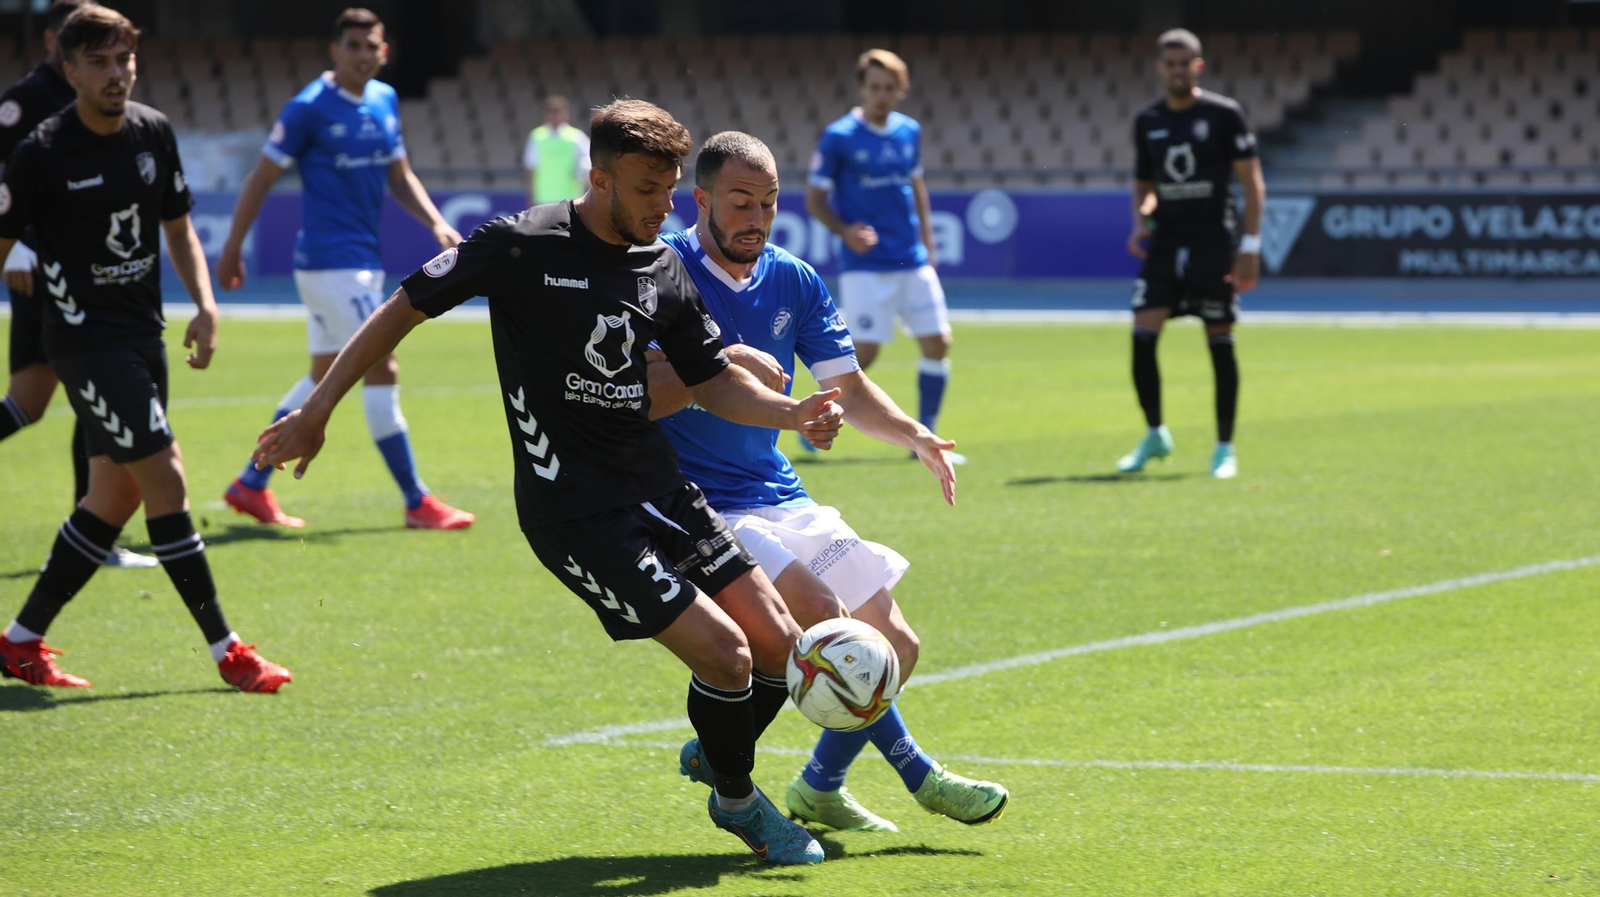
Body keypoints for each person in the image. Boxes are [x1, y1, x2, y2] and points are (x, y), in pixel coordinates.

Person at [253, 99, 848, 865]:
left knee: (777, 643)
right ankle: (738, 800)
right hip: (576, 511)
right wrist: (318, 406)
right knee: (729, 656)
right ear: (598, 179)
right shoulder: (522, 243)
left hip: (660, 487)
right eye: (646, 189)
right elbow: (402, 307)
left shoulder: (662, 263)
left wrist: (791, 412)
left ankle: (717, 752)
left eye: (669, 190)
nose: (663, 208)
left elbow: (710, 379)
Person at [649, 131, 1008, 831]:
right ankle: (920, 775)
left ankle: (817, 785)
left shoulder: (794, 278)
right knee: (822, 618)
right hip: (699, 501)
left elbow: (847, 383)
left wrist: (913, 434)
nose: (756, 217)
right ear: (702, 200)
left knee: (897, 644)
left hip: (776, 489)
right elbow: (652, 380)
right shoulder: (664, 270)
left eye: (769, 203)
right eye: (740, 201)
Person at [0, 5, 291, 692]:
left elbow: (179, 228)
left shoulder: (153, 131)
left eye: (123, 59)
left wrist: (206, 303)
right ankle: (229, 652)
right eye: (98, 62)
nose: (114, 74)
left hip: (141, 335)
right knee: (166, 477)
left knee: (114, 494)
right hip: (82, 343)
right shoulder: (41, 151)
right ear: (68, 70)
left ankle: (18, 640)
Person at [215, 6, 473, 530]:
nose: (361, 55)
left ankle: (250, 482)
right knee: (382, 363)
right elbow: (260, 179)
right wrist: (232, 246)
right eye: (351, 46)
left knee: (320, 374)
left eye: (369, 46)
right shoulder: (308, 107)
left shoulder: (383, 99)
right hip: (328, 263)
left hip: (357, 262)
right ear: (335, 52)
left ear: (384, 51)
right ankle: (416, 501)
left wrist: (436, 224)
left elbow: (398, 175)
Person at [0, 0, 154, 568]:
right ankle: (95, 536)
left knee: (33, 403)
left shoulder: (100, 100)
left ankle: (92, 533)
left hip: (80, 270)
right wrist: (14, 243)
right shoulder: (27, 102)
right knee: (78, 395)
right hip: (43, 272)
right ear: (54, 42)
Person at [806, 48, 963, 464]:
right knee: (866, 353)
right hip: (867, 266)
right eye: (874, 87)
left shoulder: (909, 131)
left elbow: (917, 189)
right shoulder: (839, 136)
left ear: (902, 90)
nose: (881, 94)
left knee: (938, 342)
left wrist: (928, 242)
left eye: (889, 88)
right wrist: (845, 232)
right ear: (862, 88)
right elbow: (815, 197)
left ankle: (925, 436)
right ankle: (814, 418)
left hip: (910, 259)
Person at [1121, 28, 1265, 479]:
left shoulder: (1224, 115)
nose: (1179, 70)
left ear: (1198, 66)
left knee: (1219, 340)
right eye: (1171, 63)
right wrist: (1142, 219)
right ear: (1160, 68)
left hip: (1212, 242)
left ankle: (1224, 448)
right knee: (1142, 334)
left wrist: (1250, 248)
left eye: (1187, 63)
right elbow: (1145, 186)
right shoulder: (1148, 121)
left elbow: (1252, 184)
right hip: (1166, 243)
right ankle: (1155, 433)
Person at [522, 95, 590, 207]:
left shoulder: (576, 137)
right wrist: (531, 196)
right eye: (552, 112)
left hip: (571, 199)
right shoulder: (537, 137)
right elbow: (530, 169)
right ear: (546, 114)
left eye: (558, 112)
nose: (555, 116)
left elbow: (589, 161)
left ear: (565, 113)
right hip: (544, 199)